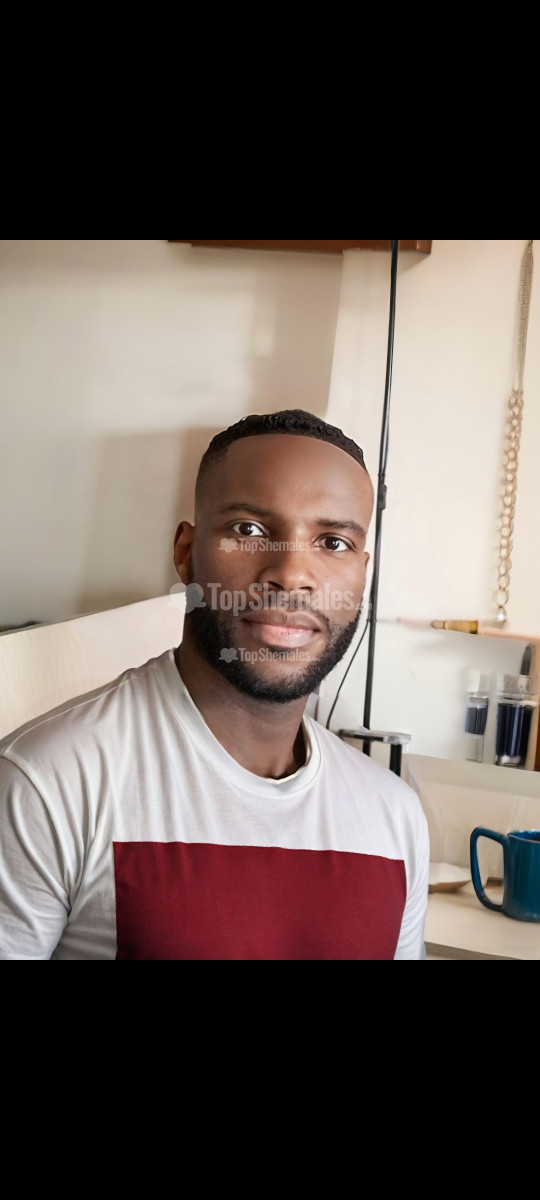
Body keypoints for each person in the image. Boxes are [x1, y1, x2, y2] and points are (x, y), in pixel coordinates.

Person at [0, 409, 430, 960]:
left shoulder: (394, 816)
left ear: (362, 573)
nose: (291, 575)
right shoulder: (48, 782)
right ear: (186, 553)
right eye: (249, 530)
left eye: (333, 542)